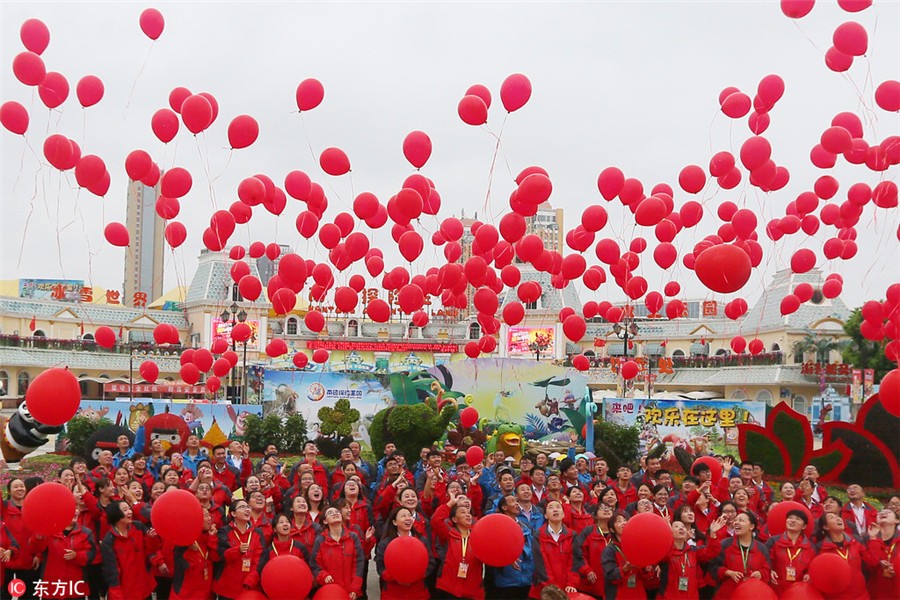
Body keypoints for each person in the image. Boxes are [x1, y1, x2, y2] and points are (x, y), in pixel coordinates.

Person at [29, 507, 95, 599]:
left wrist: (76, 555)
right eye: (71, 509)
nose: (76, 511)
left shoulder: (86, 533)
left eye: (76, 509)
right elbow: (36, 548)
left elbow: (91, 555)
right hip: (52, 586)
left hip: (75, 586)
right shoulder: (49, 530)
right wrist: (37, 537)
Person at [813, 512, 878, 600]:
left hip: (860, 596)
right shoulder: (821, 548)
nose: (838, 518)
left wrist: (873, 538)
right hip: (835, 597)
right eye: (832, 517)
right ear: (826, 527)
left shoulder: (855, 541)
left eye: (838, 517)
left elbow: (873, 561)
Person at [99, 501, 157, 600]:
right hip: (125, 590)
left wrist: (151, 538)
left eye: (129, 508)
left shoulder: (139, 527)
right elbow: (110, 569)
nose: (130, 512)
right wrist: (115, 591)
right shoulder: (109, 540)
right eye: (125, 510)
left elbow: (150, 552)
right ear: (116, 514)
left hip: (143, 586)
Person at [432, 493, 484, 599]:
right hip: (448, 588)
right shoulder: (448, 534)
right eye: (463, 512)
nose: (468, 515)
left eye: (469, 513)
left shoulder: (479, 537)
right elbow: (436, 520)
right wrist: (450, 503)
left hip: (472, 589)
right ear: (454, 519)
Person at [658, 516, 725, 599]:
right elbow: (664, 553)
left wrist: (713, 534)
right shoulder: (666, 552)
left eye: (683, 526)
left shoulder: (692, 550)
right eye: (676, 526)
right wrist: (666, 533)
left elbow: (711, 552)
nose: (681, 528)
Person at [375, 506, 433, 600]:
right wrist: (397, 578)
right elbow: (381, 567)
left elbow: (430, 563)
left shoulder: (422, 541)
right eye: (403, 516)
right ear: (394, 522)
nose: (407, 518)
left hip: (417, 590)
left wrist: (415, 577)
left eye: (409, 515)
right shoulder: (385, 543)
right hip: (393, 591)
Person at [709, 512, 770, 598]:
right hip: (728, 594)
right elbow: (713, 567)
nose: (736, 523)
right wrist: (728, 572)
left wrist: (760, 573)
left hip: (751, 594)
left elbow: (767, 570)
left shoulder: (761, 548)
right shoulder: (725, 544)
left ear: (751, 526)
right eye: (735, 520)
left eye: (741, 520)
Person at [310, 505, 365, 600]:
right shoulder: (320, 540)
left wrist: (355, 588)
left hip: (351, 591)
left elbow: (359, 564)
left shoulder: (353, 537)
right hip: (330, 592)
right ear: (325, 521)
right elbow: (315, 564)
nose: (335, 513)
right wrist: (323, 575)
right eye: (330, 513)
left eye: (337, 511)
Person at [213, 499, 264, 599]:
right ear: (233, 513)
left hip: (249, 586)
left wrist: (250, 581)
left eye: (248, 507)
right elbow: (222, 555)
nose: (247, 510)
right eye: (242, 507)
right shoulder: (224, 531)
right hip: (227, 587)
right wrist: (237, 551)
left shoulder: (257, 533)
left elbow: (260, 561)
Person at [601, 511, 652, 599]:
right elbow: (610, 576)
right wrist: (625, 568)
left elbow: (649, 576)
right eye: (619, 521)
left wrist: (646, 569)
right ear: (612, 529)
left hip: (638, 594)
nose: (623, 523)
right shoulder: (609, 550)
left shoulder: (637, 545)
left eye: (625, 520)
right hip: (618, 595)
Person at [171, 508, 218, 600]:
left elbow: (216, 557)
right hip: (185, 595)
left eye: (209, 515)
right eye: (206, 515)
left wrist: (212, 537)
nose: (210, 519)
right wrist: (189, 545)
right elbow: (182, 567)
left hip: (206, 593)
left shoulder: (209, 538)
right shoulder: (183, 542)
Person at [1, 478, 38, 596]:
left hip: (28, 559)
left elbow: (39, 532)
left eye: (21, 486)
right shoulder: (4, 508)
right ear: (9, 491)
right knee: (5, 594)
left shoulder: (32, 507)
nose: (19, 489)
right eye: (15, 486)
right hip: (7, 560)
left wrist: (38, 555)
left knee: (29, 594)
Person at [766, 509, 815, 595]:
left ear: (804, 526)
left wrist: (809, 574)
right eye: (790, 518)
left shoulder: (810, 547)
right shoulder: (773, 541)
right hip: (775, 589)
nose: (792, 520)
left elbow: (813, 567)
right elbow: (764, 562)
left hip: (798, 592)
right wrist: (769, 571)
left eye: (797, 519)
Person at [573, 502, 614, 597]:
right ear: (595, 516)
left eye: (609, 508)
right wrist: (587, 570)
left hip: (613, 584)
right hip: (591, 585)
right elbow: (579, 554)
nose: (607, 510)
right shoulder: (588, 531)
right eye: (602, 508)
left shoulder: (618, 533)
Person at [865, 508, 900, 600]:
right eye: (880, 512)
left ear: (897, 520)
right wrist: (879, 563)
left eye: (888, 512)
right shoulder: (867, 538)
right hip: (876, 592)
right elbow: (867, 565)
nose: (883, 513)